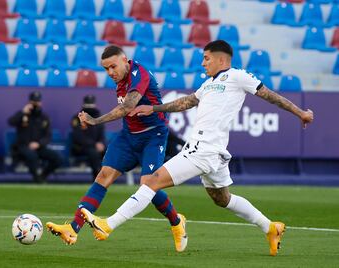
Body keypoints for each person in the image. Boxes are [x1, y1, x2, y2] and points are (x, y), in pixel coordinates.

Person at [79, 40, 314, 256]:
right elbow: (185, 102)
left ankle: (108, 224)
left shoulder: (238, 76)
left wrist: (300, 112)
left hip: (205, 149)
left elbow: (269, 95)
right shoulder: (208, 85)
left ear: (222, 59)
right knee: (222, 199)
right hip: (213, 152)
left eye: (206, 58)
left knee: (150, 181)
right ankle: (270, 227)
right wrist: (154, 109)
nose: (202, 63)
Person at [46, 45, 188, 252]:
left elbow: (127, 107)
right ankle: (73, 228)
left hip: (152, 137)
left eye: (113, 66)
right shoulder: (120, 80)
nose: (110, 72)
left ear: (125, 60)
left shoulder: (139, 74)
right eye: (106, 69)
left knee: (148, 185)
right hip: (128, 136)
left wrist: (95, 121)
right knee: (104, 175)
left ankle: (176, 221)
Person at [8, 91, 63, 183]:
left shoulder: (44, 117)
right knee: (32, 156)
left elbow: (48, 136)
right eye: (33, 102)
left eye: (37, 102)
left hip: (38, 146)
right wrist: (22, 112)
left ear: (41, 103)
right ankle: (36, 178)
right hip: (22, 146)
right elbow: (11, 122)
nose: (35, 105)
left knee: (58, 158)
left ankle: (43, 175)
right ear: (29, 103)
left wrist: (39, 144)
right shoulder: (22, 114)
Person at [71, 95, 106, 180]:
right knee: (93, 153)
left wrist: (101, 143)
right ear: (83, 105)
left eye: (91, 105)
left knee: (109, 151)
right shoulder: (77, 118)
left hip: (96, 146)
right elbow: (78, 137)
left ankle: (108, 175)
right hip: (81, 147)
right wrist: (94, 144)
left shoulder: (99, 117)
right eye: (87, 105)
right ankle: (97, 178)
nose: (89, 107)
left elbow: (101, 134)